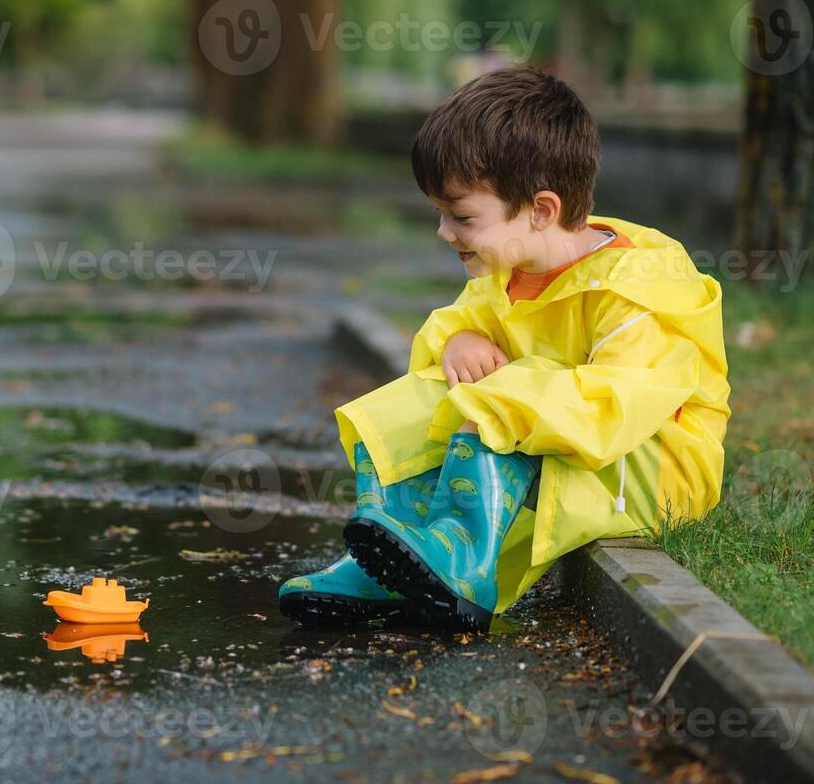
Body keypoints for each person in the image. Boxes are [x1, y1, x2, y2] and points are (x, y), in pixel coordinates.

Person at [278, 67, 731, 631]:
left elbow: (615, 406)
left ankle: (459, 559)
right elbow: (452, 327)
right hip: (553, 443)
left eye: (462, 217)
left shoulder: (640, 284)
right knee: (431, 392)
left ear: (541, 211)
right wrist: (459, 341)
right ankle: (401, 558)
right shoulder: (511, 267)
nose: (444, 233)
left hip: (651, 466)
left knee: (500, 395)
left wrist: (502, 400)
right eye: (442, 215)